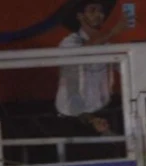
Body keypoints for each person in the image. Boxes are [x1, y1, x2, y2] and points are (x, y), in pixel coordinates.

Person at [55, 0, 128, 136]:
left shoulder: (106, 45)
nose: (99, 15)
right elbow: (83, 52)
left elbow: (124, 68)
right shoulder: (69, 42)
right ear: (80, 16)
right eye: (92, 10)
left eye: (101, 11)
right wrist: (112, 32)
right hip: (75, 117)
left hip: (103, 112)